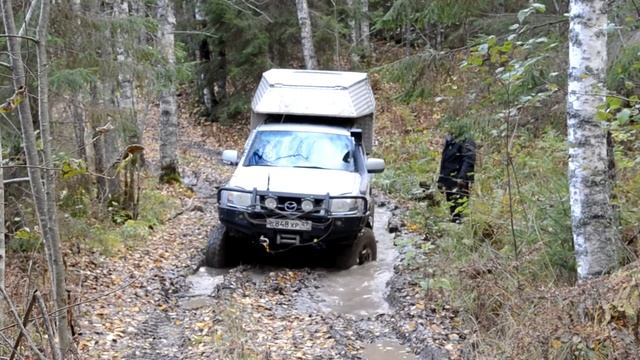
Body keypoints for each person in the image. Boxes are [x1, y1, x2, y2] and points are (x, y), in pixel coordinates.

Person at [437, 130, 476, 223]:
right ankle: (455, 226)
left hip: (459, 181)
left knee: (460, 210)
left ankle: (461, 231)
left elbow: (469, 159)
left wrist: (462, 178)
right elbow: (445, 160)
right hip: (449, 179)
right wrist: (441, 179)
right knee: (453, 211)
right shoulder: (450, 138)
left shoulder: (466, 139)